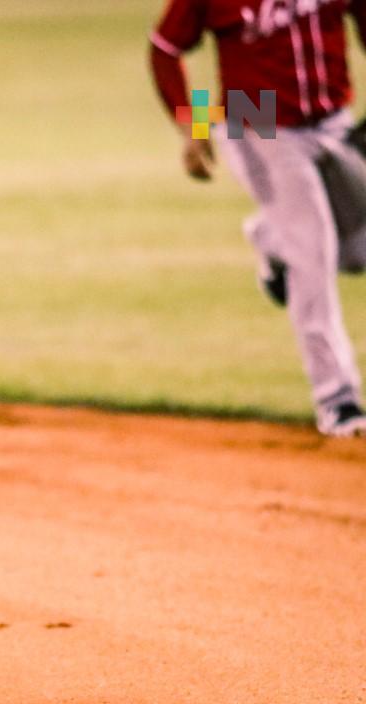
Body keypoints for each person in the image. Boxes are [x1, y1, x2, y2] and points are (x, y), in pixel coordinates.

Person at [149, 0, 366, 437]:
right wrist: (195, 124)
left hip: (332, 116)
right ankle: (337, 400)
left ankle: (271, 238)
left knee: (357, 251)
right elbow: (165, 49)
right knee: (312, 254)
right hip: (259, 116)